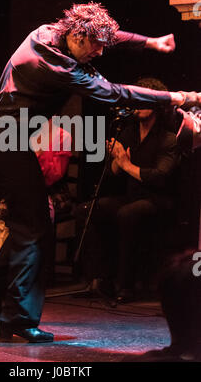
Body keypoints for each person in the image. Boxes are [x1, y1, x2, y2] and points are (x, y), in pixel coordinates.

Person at [0, 2, 200, 343]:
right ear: (77, 36)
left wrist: (149, 42)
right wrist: (177, 97)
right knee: (35, 224)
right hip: (4, 140)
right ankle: (15, 315)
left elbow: (108, 34)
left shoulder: (49, 33)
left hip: (7, 138)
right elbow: (117, 93)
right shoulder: (57, 65)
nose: (99, 52)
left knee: (34, 220)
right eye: (94, 45)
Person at [78, 77, 181, 303]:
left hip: (158, 200)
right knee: (92, 208)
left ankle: (125, 285)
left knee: (128, 214)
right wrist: (116, 158)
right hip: (132, 196)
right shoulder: (129, 132)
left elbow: (159, 177)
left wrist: (126, 165)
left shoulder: (167, 138)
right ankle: (99, 278)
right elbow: (114, 172)